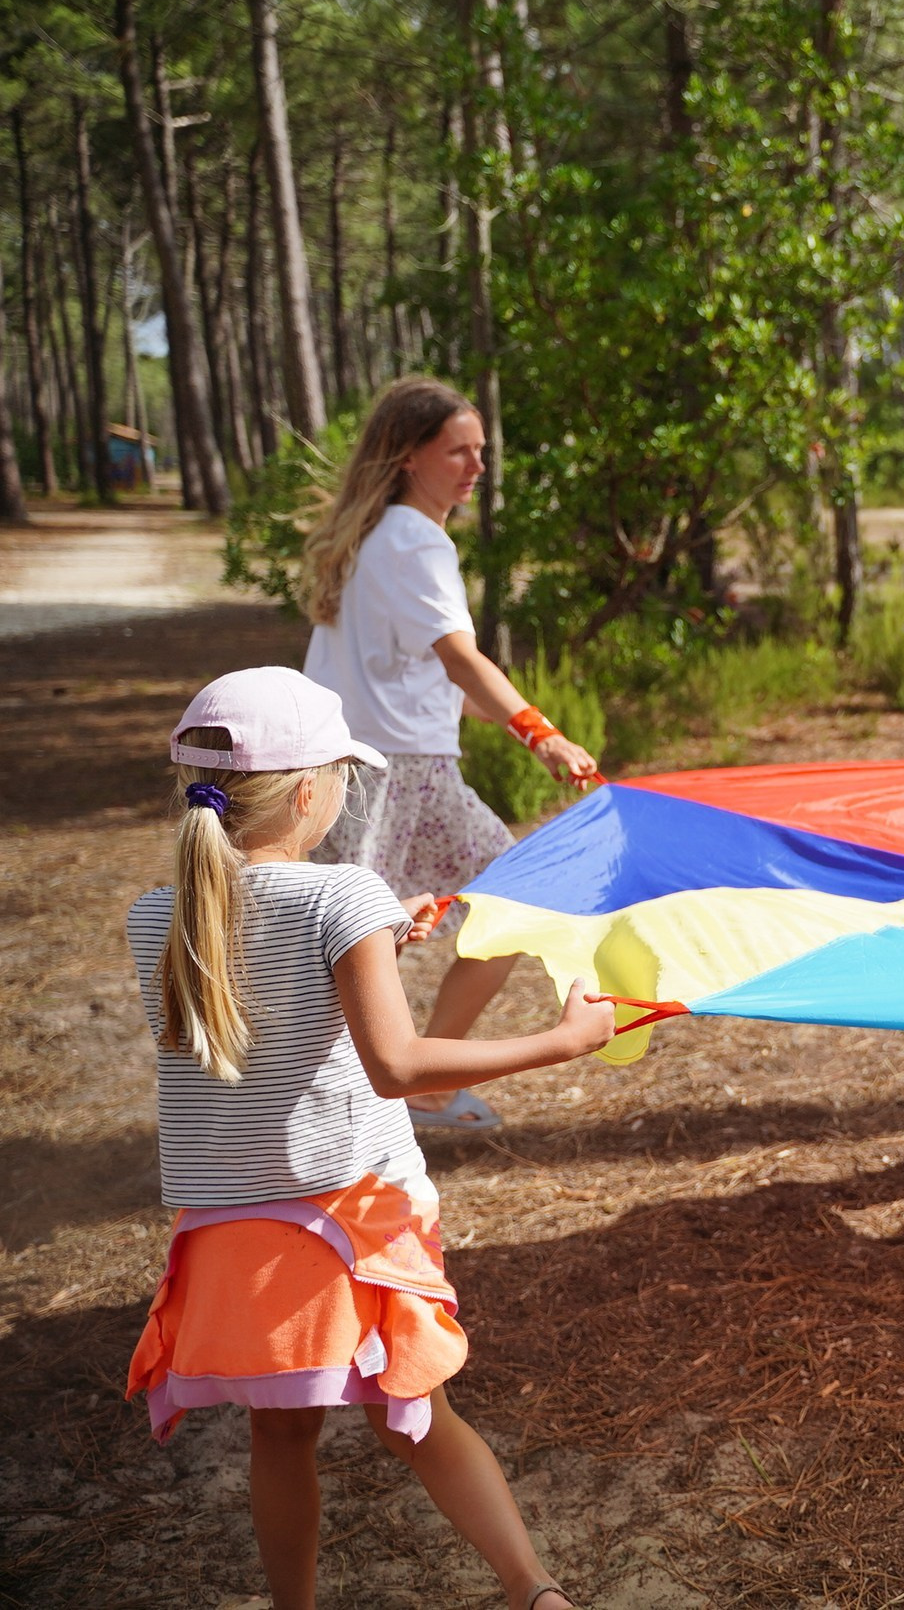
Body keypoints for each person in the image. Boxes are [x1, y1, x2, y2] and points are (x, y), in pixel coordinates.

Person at [124, 666, 613, 1610]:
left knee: (280, 1437)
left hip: (232, 1232)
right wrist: (561, 1041)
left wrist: (379, 944)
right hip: (348, 1216)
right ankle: (530, 1588)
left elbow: (261, 998)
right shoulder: (341, 895)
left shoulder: (159, 917)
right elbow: (395, 1067)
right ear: (312, 790)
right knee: (419, 1417)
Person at [301, 377, 600, 1135]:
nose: (476, 468)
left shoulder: (372, 537)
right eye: (457, 452)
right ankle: (406, 1090)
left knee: (352, 945)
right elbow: (462, 660)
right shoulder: (417, 539)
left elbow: (419, 678)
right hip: (401, 774)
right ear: (407, 457)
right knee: (511, 911)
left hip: (349, 768)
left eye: (481, 452)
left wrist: (492, 716)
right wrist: (542, 732)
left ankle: (354, 1095)